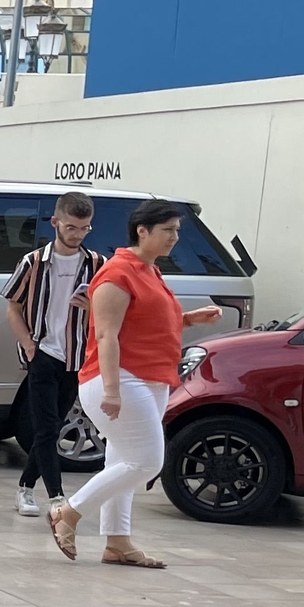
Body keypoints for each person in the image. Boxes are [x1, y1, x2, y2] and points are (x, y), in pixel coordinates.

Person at [49, 199, 219, 568]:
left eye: (177, 230)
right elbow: (107, 336)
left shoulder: (149, 271)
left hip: (149, 378)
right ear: (142, 231)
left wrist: (188, 320)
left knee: (124, 460)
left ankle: (118, 542)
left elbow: (144, 323)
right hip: (120, 379)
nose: (175, 237)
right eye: (168, 230)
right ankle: (69, 513)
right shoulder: (117, 273)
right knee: (146, 461)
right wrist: (112, 391)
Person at [3, 189, 103, 518]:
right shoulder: (33, 262)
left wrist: (93, 306)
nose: (78, 234)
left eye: (85, 228)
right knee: (45, 428)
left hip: (76, 357)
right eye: (72, 227)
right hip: (42, 352)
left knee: (55, 425)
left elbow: (111, 311)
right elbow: (12, 307)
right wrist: (29, 345)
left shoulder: (97, 264)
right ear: (55, 222)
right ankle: (57, 497)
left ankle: (24, 487)